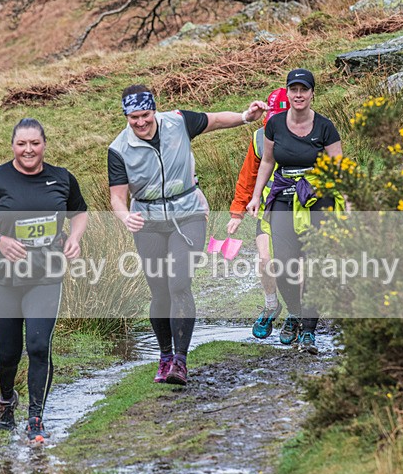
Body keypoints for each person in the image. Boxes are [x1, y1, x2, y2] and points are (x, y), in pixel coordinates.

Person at [109, 85, 267, 385]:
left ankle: (180, 362)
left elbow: (216, 120)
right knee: (159, 291)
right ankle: (165, 356)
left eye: (144, 115)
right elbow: (116, 196)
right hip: (148, 221)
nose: (140, 122)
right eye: (133, 118)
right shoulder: (118, 149)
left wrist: (246, 116)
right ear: (126, 116)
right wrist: (124, 215)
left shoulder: (178, 121)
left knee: (179, 283)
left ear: (154, 110)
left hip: (190, 213)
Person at [0, 118, 88, 441]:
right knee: (8, 352)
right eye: (22, 144)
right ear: (13, 146)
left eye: (35, 143)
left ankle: (35, 418)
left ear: (44, 144)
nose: (28, 149)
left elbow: (80, 213)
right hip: (2, 277)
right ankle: (6, 399)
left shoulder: (62, 179)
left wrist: (74, 238)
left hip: (45, 275)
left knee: (38, 345)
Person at [246, 69, 345, 354]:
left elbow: (339, 169)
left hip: (317, 201)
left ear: (313, 93)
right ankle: (296, 311)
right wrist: (255, 197)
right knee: (286, 267)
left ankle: (309, 333)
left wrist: (347, 200)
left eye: (304, 89)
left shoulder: (325, 127)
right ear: (287, 93)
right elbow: (266, 162)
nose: (298, 95)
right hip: (282, 200)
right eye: (294, 89)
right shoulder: (275, 124)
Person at [227, 87, 289, 339]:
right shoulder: (259, 138)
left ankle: (297, 316)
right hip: (266, 212)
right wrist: (237, 212)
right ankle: (272, 305)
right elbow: (248, 177)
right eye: (270, 116)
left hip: (298, 212)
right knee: (265, 262)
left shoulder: (308, 133)